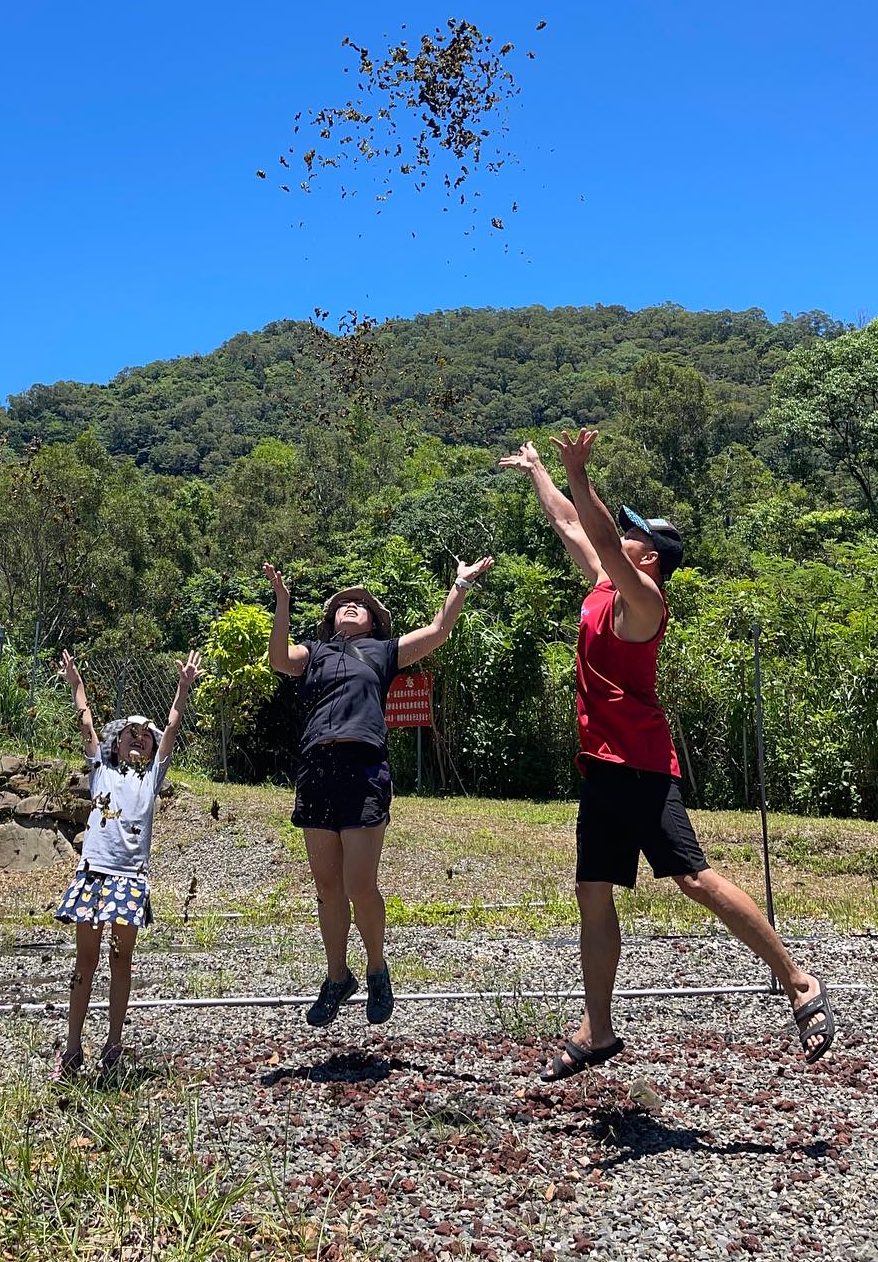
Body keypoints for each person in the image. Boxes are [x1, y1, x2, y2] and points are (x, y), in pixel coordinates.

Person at [499, 434, 835, 1078]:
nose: (617, 539)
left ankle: (798, 981)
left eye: (629, 535)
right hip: (599, 765)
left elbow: (593, 529)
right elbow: (572, 522)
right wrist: (543, 470)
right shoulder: (604, 584)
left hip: (642, 766)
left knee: (692, 879)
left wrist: (578, 470)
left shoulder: (645, 602)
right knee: (593, 893)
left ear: (647, 554)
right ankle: (597, 1029)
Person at [263, 555, 494, 1028]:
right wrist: (282, 603)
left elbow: (437, 632)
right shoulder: (315, 653)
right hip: (317, 769)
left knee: (358, 884)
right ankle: (336, 977)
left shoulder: (385, 651)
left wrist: (460, 584)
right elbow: (278, 659)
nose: (350, 606)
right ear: (331, 618)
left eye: (359, 605)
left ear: (374, 619)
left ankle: (376, 968)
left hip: (363, 769)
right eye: (343, 604)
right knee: (327, 889)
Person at [52, 647, 201, 1081]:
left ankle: (113, 1046)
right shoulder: (102, 769)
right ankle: (73, 1047)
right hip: (94, 874)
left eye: (145, 734)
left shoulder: (153, 776)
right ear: (116, 742)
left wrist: (183, 687)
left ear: (153, 747)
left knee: (122, 959)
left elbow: (172, 726)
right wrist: (76, 684)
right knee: (85, 961)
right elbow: (85, 723)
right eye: (130, 732)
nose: (138, 737)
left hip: (130, 878)